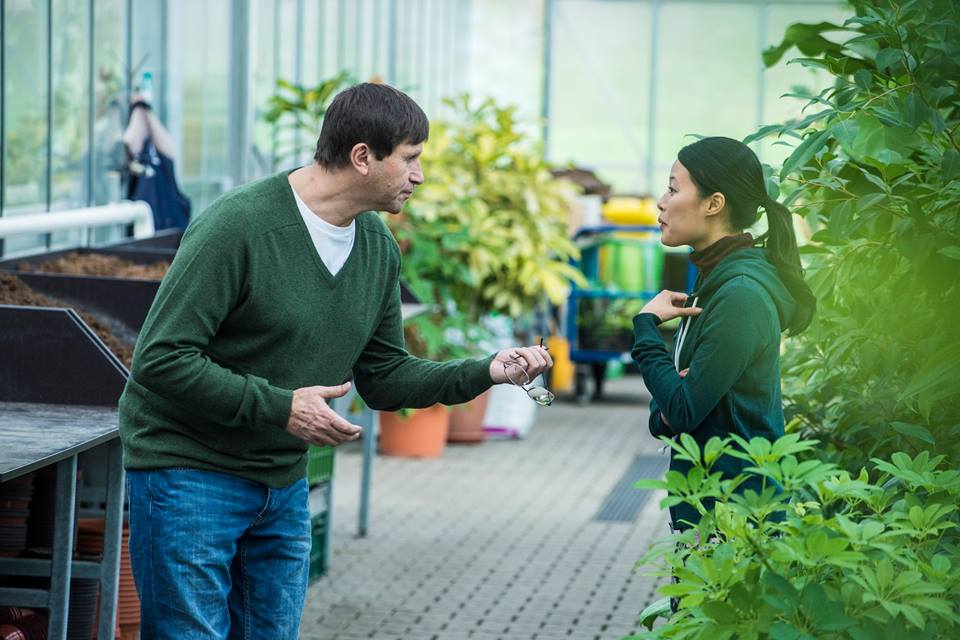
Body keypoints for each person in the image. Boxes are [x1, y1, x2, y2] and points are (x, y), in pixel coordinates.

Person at [118, 82, 553, 639]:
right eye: (411, 159)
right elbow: (160, 359)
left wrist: (488, 369)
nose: (419, 176)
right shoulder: (238, 227)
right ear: (363, 157)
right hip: (189, 472)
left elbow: (386, 378)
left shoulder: (375, 248)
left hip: (280, 482)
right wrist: (281, 408)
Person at [630, 136, 815, 531]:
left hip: (739, 514)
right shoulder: (715, 280)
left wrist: (646, 329)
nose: (661, 201)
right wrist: (671, 402)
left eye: (674, 188)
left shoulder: (740, 295)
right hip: (713, 509)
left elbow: (681, 408)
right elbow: (672, 409)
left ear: (714, 204)